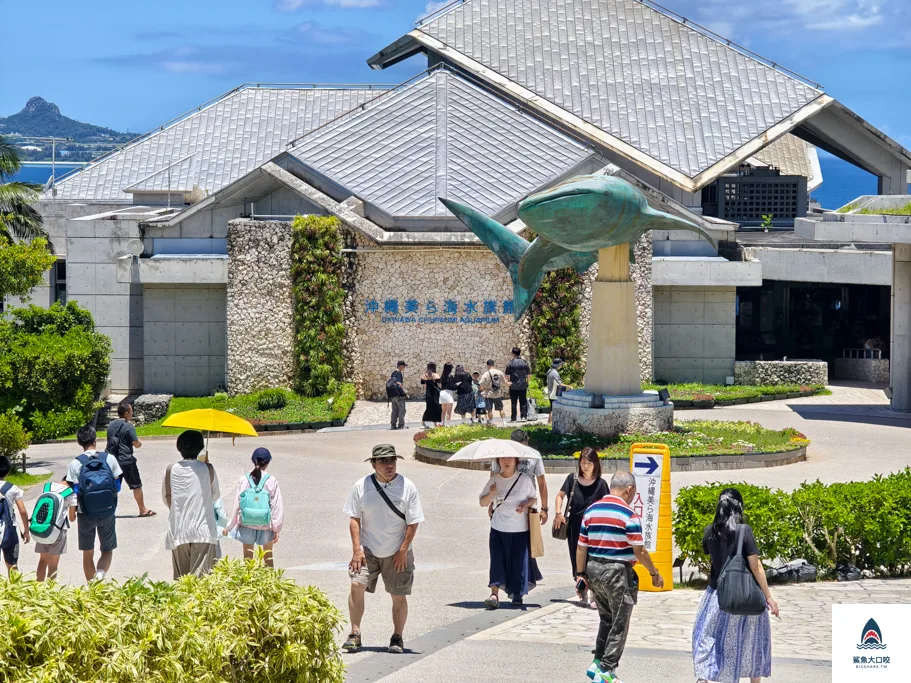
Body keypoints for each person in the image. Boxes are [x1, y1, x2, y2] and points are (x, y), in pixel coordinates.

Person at [576, 471, 664, 683]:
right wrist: (654, 573)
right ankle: (607, 670)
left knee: (605, 618)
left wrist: (581, 575)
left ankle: (597, 662)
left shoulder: (591, 511)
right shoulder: (629, 515)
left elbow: (581, 547)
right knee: (619, 622)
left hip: (594, 568)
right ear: (629, 489)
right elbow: (639, 551)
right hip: (618, 572)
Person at [343, 444, 424, 655]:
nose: (389, 465)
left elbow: (413, 522)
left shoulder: (408, 486)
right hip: (367, 548)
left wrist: (403, 550)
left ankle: (397, 636)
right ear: (373, 464)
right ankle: (355, 633)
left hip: (398, 549)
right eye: (383, 461)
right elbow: (354, 519)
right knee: (356, 585)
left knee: (398, 594)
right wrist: (356, 550)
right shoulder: (361, 486)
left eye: (392, 461)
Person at [692, 488, 778, 683]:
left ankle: (704, 677)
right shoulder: (744, 531)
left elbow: (712, 555)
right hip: (744, 596)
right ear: (739, 507)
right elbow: (756, 567)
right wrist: (769, 597)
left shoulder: (709, 531)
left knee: (708, 638)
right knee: (751, 642)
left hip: (716, 597)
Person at [479, 455, 541, 609]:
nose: (506, 462)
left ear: (516, 462)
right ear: (498, 461)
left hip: (519, 529)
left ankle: (517, 594)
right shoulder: (494, 480)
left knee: (518, 563)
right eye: (503, 459)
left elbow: (534, 498)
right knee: (496, 561)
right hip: (498, 528)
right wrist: (491, 494)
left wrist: (525, 504)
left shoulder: (524, 480)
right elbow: (482, 502)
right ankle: (494, 595)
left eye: (510, 459)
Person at [553, 446, 608, 608]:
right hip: (575, 526)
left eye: (589, 463)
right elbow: (560, 496)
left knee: (593, 560)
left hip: (594, 529)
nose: (585, 466)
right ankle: (582, 590)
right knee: (576, 561)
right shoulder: (573, 479)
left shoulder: (601, 484)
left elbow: (607, 505)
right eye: (583, 463)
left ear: (595, 464)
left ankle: (594, 594)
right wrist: (558, 513)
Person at [66, 424, 123, 582]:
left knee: (88, 552)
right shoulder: (109, 458)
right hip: (107, 511)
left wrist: (72, 513)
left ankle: (92, 588)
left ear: (79, 442)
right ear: (95, 439)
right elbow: (117, 486)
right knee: (107, 549)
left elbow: (73, 492)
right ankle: (100, 575)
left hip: (85, 513)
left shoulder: (75, 464)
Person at [162, 430, 222, 578]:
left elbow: (166, 498)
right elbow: (215, 496)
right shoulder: (208, 469)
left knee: (183, 582)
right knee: (201, 584)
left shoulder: (170, 470)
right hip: (203, 531)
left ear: (179, 448)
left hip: (179, 530)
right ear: (201, 447)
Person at [224, 447, 285, 568]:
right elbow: (277, 506)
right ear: (267, 463)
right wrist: (276, 528)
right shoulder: (271, 480)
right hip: (266, 524)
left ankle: (249, 584)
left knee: (247, 557)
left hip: (246, 522)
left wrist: (230, 526)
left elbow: (238, 504)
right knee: (268, 556)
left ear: (253, 461)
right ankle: (270, 583)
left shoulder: (244, 479)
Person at [489, 429, 549, 526]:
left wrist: (544, 508)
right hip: (504, 507)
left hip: (528, 506)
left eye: (523, 447)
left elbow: (542, 483)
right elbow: (493, 481)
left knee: (528, 540)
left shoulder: (534, 455)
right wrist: (492, 503)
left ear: (527, 441)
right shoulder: (500, 456)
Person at [105, 401, 155, 517]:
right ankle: (142, 510)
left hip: (113, 461)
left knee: (113, 488)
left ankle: (109, 511)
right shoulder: (129, 426)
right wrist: (139, 444)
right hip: (127, 461)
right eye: (131, 411)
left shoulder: (111, 426)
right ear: (126, 413)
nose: (132, 413)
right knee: (136, 486)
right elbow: (135, 443)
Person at [33, 476, 78, 581]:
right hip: (59, 530)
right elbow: (71, 518)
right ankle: (49, 592)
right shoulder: (71, 493)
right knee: (53, 564)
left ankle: (38, 589)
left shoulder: (47, 487)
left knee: (43, 560)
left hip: (43, 527)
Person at [0, 456, 30, 575]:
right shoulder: (12, 488)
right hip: (9, 531)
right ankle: (14, 592)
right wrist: (26, 530)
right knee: (12, 566)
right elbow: (22, 511)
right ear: (7, 471)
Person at [505, 346, 531, 422]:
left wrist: (507, 382)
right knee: (523, 402)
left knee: (514, 402)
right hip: (523, 385)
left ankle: (513, 418)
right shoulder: (525, 362)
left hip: (513, 385)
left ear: (513, 353)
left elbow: (506, 374)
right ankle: (523, 417)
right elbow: (529, 374)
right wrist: (527, 383)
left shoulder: (510, 363)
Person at [479, 359, 508, 426]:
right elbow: (504, 382)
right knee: (501, 408)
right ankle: (504, 422)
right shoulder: (499, 372)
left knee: (489, 409)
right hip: (497, 393)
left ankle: (491, 422)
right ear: (493, 364)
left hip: (489, 394)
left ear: (488, 365)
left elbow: (480, 383)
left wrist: (483, 391)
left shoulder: (487, 373)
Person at [546, 358, 572, 425]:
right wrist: (569, 386)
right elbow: (560, 384)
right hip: (553, 393)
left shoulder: (550, 370)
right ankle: (550, 423)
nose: (561, 366)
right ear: (558, 365)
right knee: (553, 409)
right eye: (561, 365)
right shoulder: (554, 373)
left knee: (552, 408)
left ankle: (549, 422)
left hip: (550, 391)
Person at [420, 362, 442, 428]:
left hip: (428, 393)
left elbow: (422, 383)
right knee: (437, 408)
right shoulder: (436, 375)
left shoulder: (424, 375)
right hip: (435, 393)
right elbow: (439, 384)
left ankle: (423, 423)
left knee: (428, 408)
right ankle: (435, 424)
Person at [389, 360, 408, 430]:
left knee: (394, 411)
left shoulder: (393, 373)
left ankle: (393, 425)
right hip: (399, 395)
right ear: (401, 366)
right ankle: (401, 425)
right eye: (404, 366)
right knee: (402, 410)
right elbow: (399, 383)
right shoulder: (399, 373)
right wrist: (404, 391)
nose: (404, 368)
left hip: (393, 395)